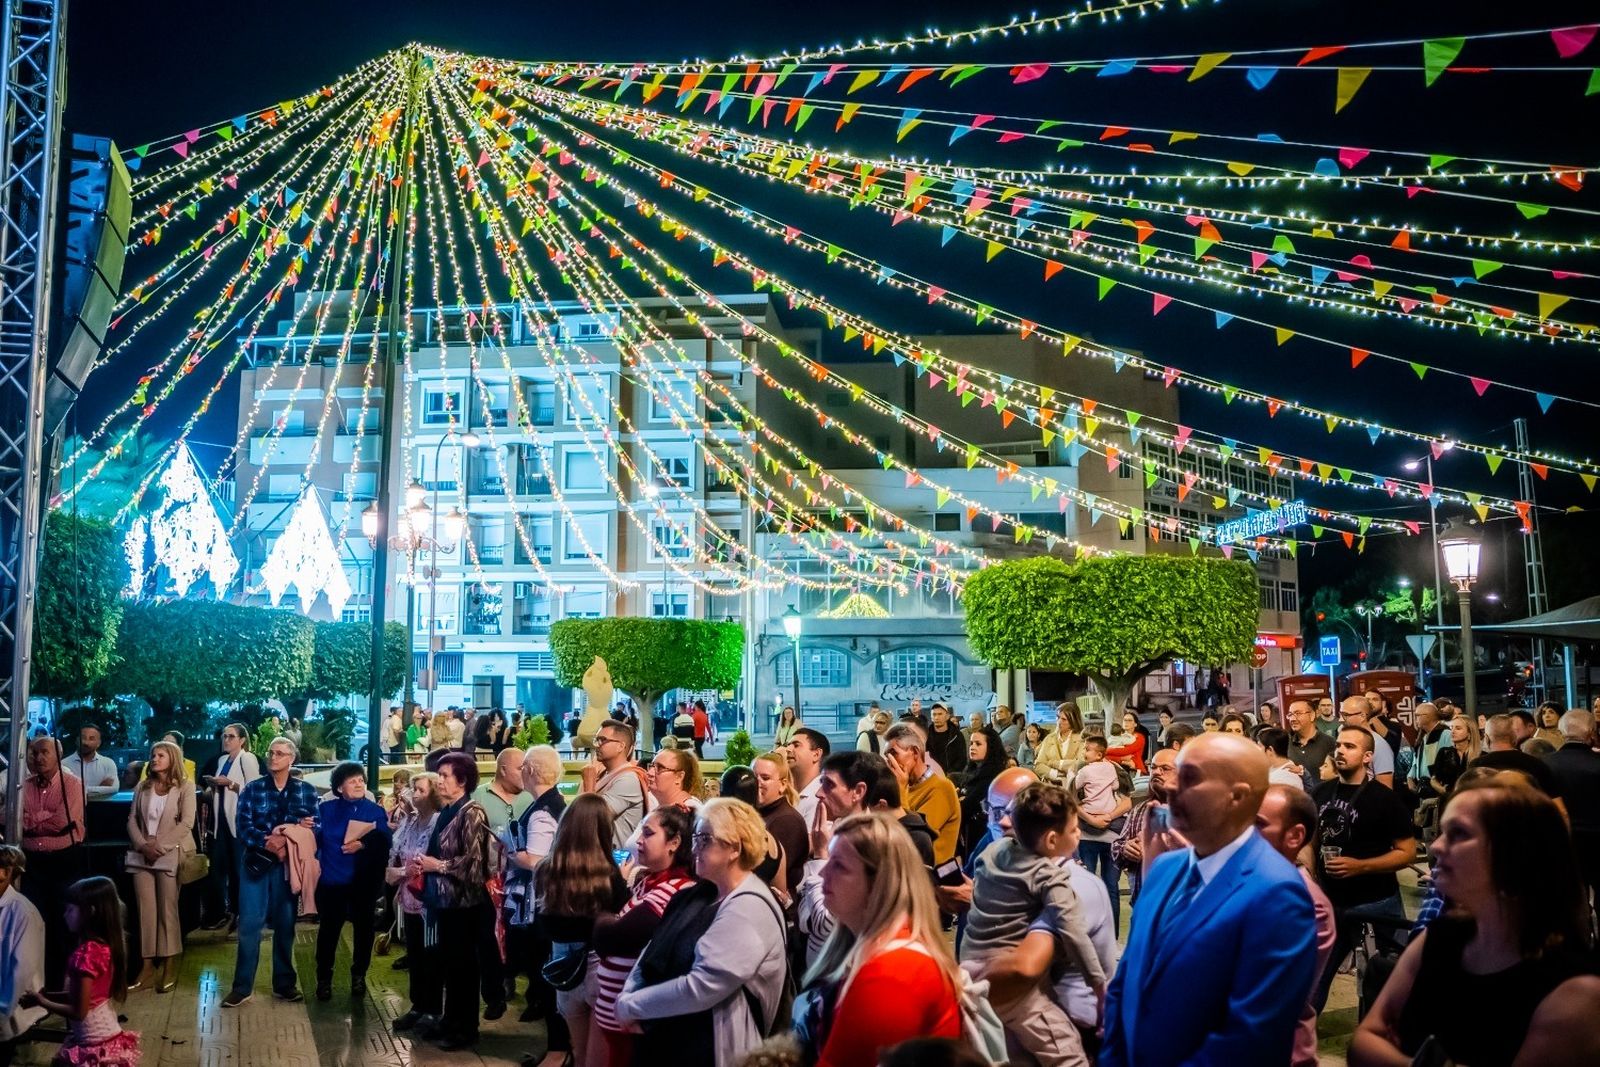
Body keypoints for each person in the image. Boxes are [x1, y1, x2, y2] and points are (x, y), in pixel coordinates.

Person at [1101, 734, 1317, 1067]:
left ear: (1238, 796)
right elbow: (1127, 980)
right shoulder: (1164, 869)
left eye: (1189, 778)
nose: (1171, 787)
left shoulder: (1277, 893)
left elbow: (1250, 1038)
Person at [1349, 780, 1590, 1067]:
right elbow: (1362, 1043)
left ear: (1514, 854)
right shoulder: (1441, 937)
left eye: (1459, 833)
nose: (1436, 846)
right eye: (1442, 832)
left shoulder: (1574, 989)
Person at [615, 799, 787, 1067]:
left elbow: (701, 987)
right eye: (696, 837)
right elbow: (653, 948)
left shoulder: (749, 907)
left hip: (715, 1051)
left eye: (705, 839)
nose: (694, 847)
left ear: (734, 848)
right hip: (672, 1041)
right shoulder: (700, 892)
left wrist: (633, 1005)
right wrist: (629, 993)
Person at [797, 811, 962, 1067]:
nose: (822, 874)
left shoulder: (892, 974)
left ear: (879, 883)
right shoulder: (876, 949)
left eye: (838, 865)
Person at [961, 783, 1105, 1066]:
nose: (1078, 834)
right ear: (1052, 840)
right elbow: (1074, 933)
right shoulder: (1050, 877)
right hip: (1013, 988)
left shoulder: (992, 852)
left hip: (968, 971)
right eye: (1074, 830)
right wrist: (1099, 988)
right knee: (1066, 1050)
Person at [1310, 726, 1418, 1012]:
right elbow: (1311, 842)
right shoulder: (1321, 792)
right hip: (1332, 903)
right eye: (1339, 745)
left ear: (1368, 756)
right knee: (1312, 979)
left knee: (1383, 981)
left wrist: (1361, 866)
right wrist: (1311, 880)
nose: (1340, 751)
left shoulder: (1384, 799)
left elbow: (1407, 853)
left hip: (1377, 904)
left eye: (1350, 746)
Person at [591, 806, 699, 1067]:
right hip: (617, 1016)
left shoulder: (674, 890)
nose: (638, 839)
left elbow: (612, 937)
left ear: (674, 843)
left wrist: (605, 923)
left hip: (634, 1019)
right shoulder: (646, 881)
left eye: (648, 833)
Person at [533, 793, 629, 1067]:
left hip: (563, 966)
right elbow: (617, 922)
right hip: (600, 968)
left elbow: (542, 924)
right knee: (599, 1056)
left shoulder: (546, 870)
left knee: (579, 1049)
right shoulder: (608, 874)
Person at [224, 736, 318, 1007]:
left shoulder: (306, 791)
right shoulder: (252, 790)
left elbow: (316, 827)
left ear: (292, 758)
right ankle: (242, 987)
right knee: (250, 924)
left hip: (288, 867)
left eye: (279, 753)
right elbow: (243, 826)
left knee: (286, 925)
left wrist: (288, 837)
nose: (273, 757)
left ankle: (284, 984)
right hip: (256, 864)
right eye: (270, 752)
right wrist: (270, 842)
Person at [412, 752, 491, 1050]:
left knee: (464, 968)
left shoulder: (472, 812)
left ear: (463, 780)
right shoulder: (448, 810)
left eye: (445, 775)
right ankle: (450, 1020)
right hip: (443, 902)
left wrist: (438, 866)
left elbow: (473, 864)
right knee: (449, 965)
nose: (440, 780)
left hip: (463, 904)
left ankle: (465, 1027)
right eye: (439, 775)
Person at [18, 877, 139, 1066]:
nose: (64, 915)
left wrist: (44, 1002)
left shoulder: (87, 954)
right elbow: (84, 996)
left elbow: (79, 1011)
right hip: (105, 1035)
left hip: (95, 1042)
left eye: (70, 910)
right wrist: (49, 995)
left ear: (89, 912)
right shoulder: (103, 946)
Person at [1255, 785, 1337, 1067]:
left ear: (1295, 836)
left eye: (1258, 824)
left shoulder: (1305, 904)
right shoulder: (1253, 881)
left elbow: (1265, 995)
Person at [310, 762, 389, 1002]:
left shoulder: (375, 811)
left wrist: (363, 844)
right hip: (332, 880)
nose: (358, 784)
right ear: (339, 786)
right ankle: (323, 979)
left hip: (362, 883)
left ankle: (359, 976)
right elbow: (314, 837)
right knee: (328, 933)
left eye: (361, 780)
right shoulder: (326, 809)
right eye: (352, 780)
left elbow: (385, 842)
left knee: (364, 932)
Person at [502, 746, 566, 1036]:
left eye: (523, 767)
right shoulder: (554, 803)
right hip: (543, 897)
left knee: (537, 954)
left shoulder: (541, 810)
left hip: (536, 898)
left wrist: (512, 854)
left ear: (530, 770)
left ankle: (542, 1006)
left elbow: (536, 859)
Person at [13, 737, 85, 989]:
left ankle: (62, 986)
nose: (38, 758)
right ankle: (36, 987)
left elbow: (62, 822)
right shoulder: (23, 785)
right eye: (34, 753)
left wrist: (31, 820)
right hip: (32, 864)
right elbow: (8, 817)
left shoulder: (72, 785)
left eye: (44, 752)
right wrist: (41, 819)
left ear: (58, 756)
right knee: (33, 924)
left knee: (63, 926)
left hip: (63, 863)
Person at [124, 740, 195, 994]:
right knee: (146, 912)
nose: (154, 759)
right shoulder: (142, 787)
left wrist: (160, 847)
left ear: (172, 758)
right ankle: (146, 967)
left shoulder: (185, 787)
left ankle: (169, 963)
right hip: (142, 855)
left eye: (160, 755)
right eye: (153, 755)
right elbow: (132, 820)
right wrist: (143, 845)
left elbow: (187, 823)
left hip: (168, 854)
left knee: (168, 911)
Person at [472, 748, 533, 1018]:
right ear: (503, 769)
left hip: (522, 881)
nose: (526, 773)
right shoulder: (478, 797)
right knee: (489, 935)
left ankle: (515, 977)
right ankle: (495, 987)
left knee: (520, 933)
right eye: (521, 768)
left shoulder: (532, 797)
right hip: (488, 881)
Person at [388, 771, 442, 1035]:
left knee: (431, 957)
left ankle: (433, 1010)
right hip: (408, 897)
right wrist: (399, 874)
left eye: (419, 790)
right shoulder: (410, 822)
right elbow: (397, 855)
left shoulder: (437, 821)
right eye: (412, 789)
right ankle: (418, 1005)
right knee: (416, 956)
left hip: (428, 903)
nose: (413, 794)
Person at [201, 722, 259, 931]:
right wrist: (213, 786)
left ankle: (241, 913)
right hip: (221, 821)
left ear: (242, 740)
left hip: (238, 821)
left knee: (238, 869)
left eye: (231, 736)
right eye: (224, 736)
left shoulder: (247, 758)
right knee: (218, 867)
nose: (226, 740)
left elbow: (254, 789)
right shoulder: (223, 760)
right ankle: (221, 912)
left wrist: (230, 785)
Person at [1110, 746, 1184, 904]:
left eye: (1165, 768)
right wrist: (1125, 848)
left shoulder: (1196, 812)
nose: (1156, 772)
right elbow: (1117, 846)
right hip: (1143, 906)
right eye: (1154, 767)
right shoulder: (1140, 810)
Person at [1074, 736, 1132, 933]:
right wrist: (1105, 816)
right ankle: (1109, 936)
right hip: (1103, 831)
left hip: (1096, 834)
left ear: (1098, 753)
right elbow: (1122, 795)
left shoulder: (1083, 770)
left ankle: (1095, 934)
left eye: (1087, 749)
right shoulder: (1114, 769)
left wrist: (1096, 818)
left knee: (1096, 886)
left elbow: (1070, 795)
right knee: (1106, 886)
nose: (1084, 752)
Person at [884, 724, 960, 866]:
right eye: (886, 756)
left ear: (914, 752)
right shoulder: (907, 787)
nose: (889, 761)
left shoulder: (942, 788)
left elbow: (915, 838)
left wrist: (899, 790)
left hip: (931, 878)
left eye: (893, 753)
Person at [1544, 708, 1600, 889]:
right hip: (1597, 839)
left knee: (1572, 895)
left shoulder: (1543, 764)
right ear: (1592, 733)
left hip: (1560, 841)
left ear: (1561, 733)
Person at [0, 847, 44, 1067]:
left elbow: (21, 971)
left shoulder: (22, 912)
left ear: (6, 872)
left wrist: (2, 1011)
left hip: (13, 1023)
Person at [582, 719, 649, 848]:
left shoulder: (627, 779)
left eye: (603, 740)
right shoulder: (605, 774)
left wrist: (589, 785)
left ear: (620, 746)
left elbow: (592, 818)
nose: (597, 745)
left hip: (616, 860)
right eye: (597, 740)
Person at [1470, 713, 1565, 803]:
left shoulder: (1476, 766)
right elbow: (1558, 807)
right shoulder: (1536, 764)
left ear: (1486, 738)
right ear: (1514, 737)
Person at [753, 751, 808, 898]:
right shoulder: (759, 814)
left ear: (783, 784)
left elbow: (766, 872)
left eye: (765, 778)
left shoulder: (787, 820)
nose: (758, 783)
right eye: (754, 777)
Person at [957, 726, 1007, 859]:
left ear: (990, 748)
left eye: (978, 744)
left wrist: (960, 798)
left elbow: (967, 806)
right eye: (971, 743)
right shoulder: (972, 771)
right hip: (970, 832)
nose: (972, 747)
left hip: (984, 835)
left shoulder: (993, 775)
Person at [1337, 697, 1396, 787]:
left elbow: (1385, 789)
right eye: (1340, 714)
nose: (1340, 720)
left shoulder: (1379, 745)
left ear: (1362, 716)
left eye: (1346, 715)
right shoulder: (1342, 740)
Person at [1427, 714, 1480, 797]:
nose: (1452, 731)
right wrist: (1442, 790)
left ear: (1470, 733)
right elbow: (1434, 779)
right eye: (1451, 728)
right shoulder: (1444, 752)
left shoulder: (1481, 756)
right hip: (1448, 801)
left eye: (1458, 728)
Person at [786, 728, 829, 827]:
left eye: (796, 745)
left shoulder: (823, 797)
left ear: (816, 754)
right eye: (787, 745)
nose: (788, 749)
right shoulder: (784, 792)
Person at [61, 727, 117, 802]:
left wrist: (77, 790)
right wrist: (100, 788)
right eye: (83, 738)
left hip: (103, 810)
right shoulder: (64, 764)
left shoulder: (108, 763)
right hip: (73, 811)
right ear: (76, 740)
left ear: (98, 743)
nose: (86, 742)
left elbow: (114, 788)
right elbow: (62, 791)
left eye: (91, 738)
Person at [1284, 700, 1335, 782]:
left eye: (1298, 714)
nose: (1292, 719)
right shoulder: (1285, 743)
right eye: (1290, 715)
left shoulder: (1329, 743)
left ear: (1312, 715)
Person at [1032, 701, 1084, 782]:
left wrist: (1052, 763)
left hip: (1073, 787)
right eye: (1058, 717)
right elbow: (1038, 765)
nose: (1059, 722)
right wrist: (1055, 774)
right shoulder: (1049, 738)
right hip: (1050, 787)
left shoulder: (1082, 739)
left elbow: (1080, 764)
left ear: (1073, 721)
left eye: (1064, 719)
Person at [644, 747, 702, 813]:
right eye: (652, 766)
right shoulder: (659, 807)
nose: (649, 773)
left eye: (660, 768)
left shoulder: (691, 810)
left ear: (679, 777)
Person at [925, 704, 967, 778]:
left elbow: (962, 759)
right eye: (934, 714)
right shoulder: (925, 736)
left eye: (940, 714)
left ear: (947, 716)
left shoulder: (956, 735)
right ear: (931, 717)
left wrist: (950, 775)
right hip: (931, 777)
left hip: (952, 777)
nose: (937, 717)